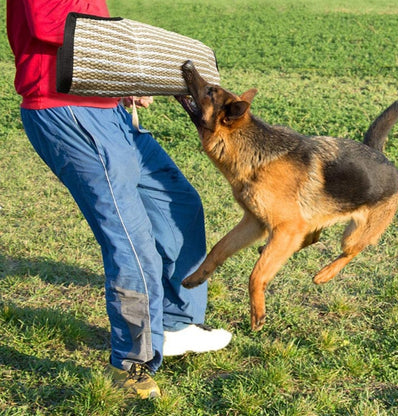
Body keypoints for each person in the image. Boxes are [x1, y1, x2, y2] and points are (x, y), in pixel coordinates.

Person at [7, 0, 232, 399]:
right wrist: (130, 55)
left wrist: (125, 78)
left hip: (106, 107)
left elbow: (88, 37)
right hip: (65, 110)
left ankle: (175, 324)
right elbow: (48, 24)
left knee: (178, 204)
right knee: (131, 239)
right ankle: (132, 364)